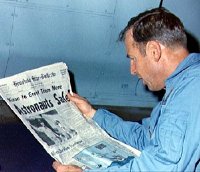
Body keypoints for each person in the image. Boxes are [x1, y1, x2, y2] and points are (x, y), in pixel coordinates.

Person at [52, 7, 200, 172]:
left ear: (154, 51)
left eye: (133, 59)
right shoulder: (182, 86)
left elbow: (161, 167)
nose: (133, 70)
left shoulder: (192, 91)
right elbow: (145, 138)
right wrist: (93, 114)